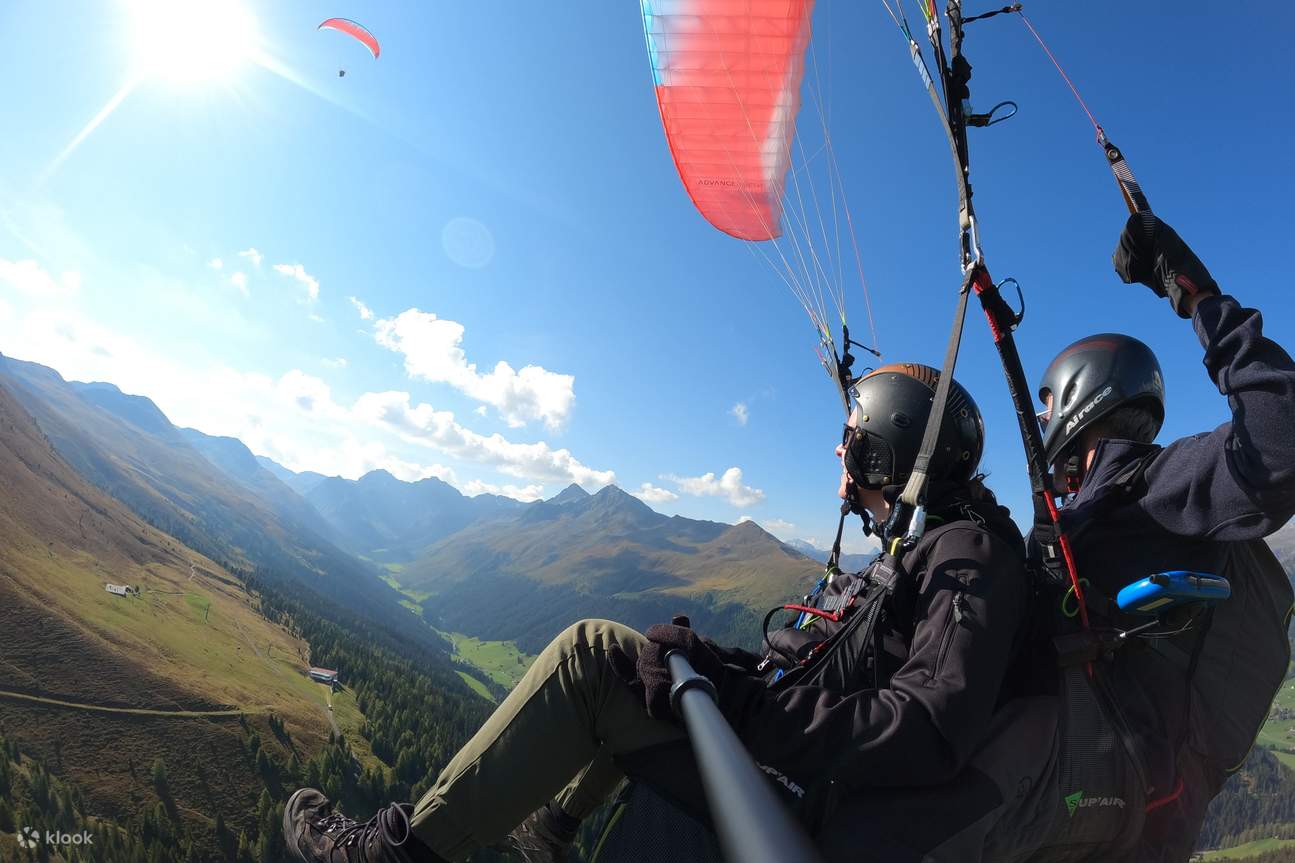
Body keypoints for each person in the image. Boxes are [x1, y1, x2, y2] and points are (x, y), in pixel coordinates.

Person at [282, 363, 1030, 863]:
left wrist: (737, 698)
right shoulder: (930, 546)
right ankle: (549, 829)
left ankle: (393, 856)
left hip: (810, 806)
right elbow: (834, 675)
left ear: (884, 456)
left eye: (852, 450)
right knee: (636, 660)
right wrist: (717, 663)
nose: (841, 473)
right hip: (797, 774)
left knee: (588, 654)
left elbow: (928, 729)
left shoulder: (967, 553)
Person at [1029, 214, 1295, 861]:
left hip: (1110, 819)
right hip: (1082, 802)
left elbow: (1279, 438)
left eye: (1045, 405)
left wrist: (1194, 295)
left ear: (1075, 399)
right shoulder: (1095, 509)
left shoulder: (1149, 484)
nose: (1041, 421)